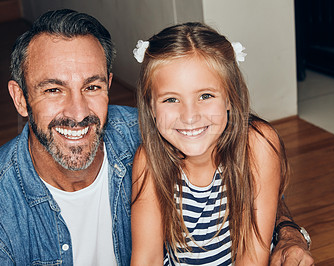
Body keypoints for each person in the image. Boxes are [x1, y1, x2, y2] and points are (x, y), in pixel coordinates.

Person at [0, 9, 312, 266]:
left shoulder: (156, 135)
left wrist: (288, 232)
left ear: (109, 86)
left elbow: (247, 175)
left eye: (91, 86)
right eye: (53, 90)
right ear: (20, 98)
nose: (77, 112)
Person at [130, 22, 313, 265]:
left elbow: (252, 257)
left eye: (205, 96)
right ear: (151, 107)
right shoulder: (149, 161)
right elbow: (147, 258)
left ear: (229, 98)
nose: (189, 116)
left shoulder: (257, 144)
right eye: (171, 99)